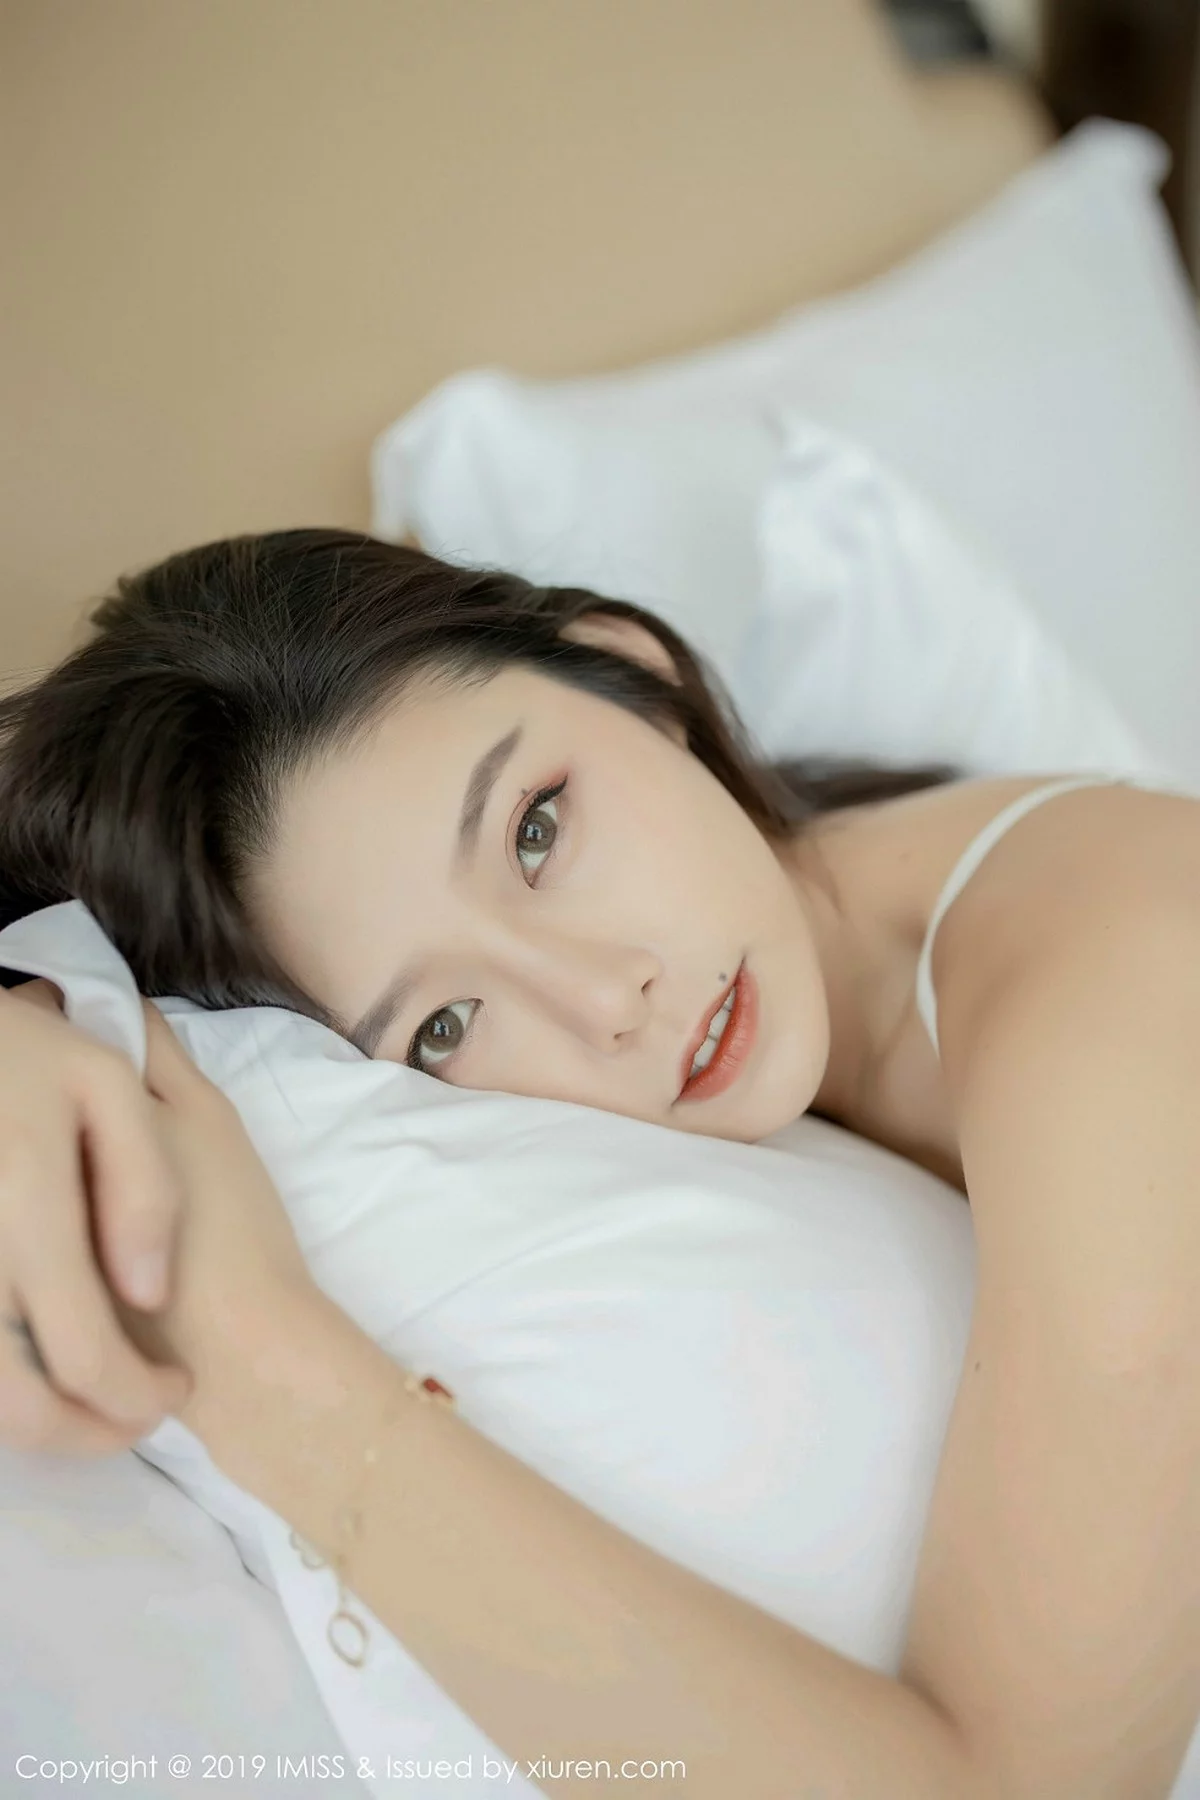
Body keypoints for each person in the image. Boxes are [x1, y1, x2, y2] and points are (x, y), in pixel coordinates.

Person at [0, 529, 1198, 1797]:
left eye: (536, 831)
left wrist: (256, 1360)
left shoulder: (1121, 973)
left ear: (631, 671)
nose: (602, 998)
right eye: (445, 1025)